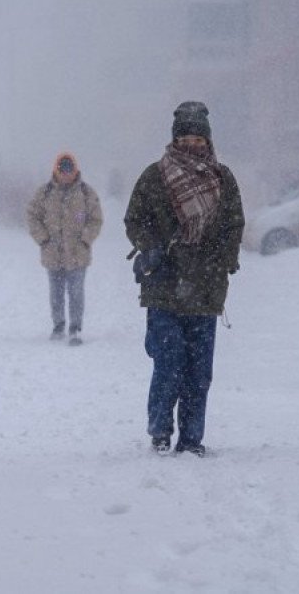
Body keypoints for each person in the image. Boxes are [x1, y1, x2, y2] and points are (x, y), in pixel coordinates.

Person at [124, 102, 244, 456]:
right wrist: (150, 247)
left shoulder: (223, 178)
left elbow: (234, 225)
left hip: (206, 288)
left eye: (198, 138)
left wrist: (225, 259)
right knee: (169, 360)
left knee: (199, 373)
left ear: (207, 140)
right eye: (186, 138)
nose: (193, 145)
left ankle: (192, 440)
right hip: (163, 284)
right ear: (175, 139)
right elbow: (134, 220)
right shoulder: (153, 176)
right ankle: (160, 430)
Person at [27, 152, 104, 346]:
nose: (66, 174)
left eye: (70, 170)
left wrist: (85, 240)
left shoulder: (87, 193)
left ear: (75, 171)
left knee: (76, 292)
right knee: (56, 293)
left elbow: (96, 220)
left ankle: (75, 328)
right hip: (52, 254)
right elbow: (32, 216)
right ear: (56, 170)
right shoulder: (44, 193)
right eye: (63, 170)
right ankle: (58, 325)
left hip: (78, 255)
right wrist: (43, 239)